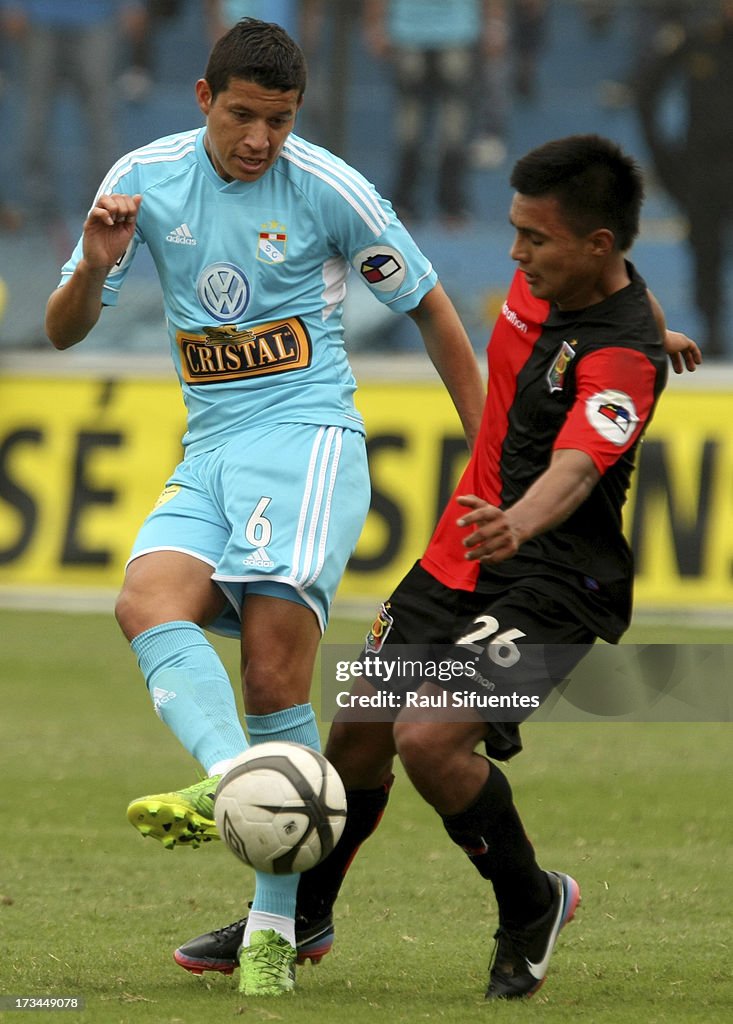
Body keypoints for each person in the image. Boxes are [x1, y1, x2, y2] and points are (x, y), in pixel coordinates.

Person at [173, 134, 702, 998]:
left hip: (553, 579)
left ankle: (532, 903)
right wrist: (650, 327)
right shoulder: (564, 297)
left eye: (535, 238)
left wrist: (518, 523)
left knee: (429, 737)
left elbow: (575, 464)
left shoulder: (620, 358)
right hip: (457, 559)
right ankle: (306, 912)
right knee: (356, 735)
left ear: (597, 244)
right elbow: (576, 344)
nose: (515, 252)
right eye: (514, 230)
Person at [44, 17, 484, 998]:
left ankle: (272, 936)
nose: (259, 140)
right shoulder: (145, 179)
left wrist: (489, 464)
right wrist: (97, 261)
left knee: (271, 670)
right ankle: (229, 777)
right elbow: (63, 332)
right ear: (203, 99)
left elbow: (435, 311)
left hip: (308, 443)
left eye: (278, 121)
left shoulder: (328, 188)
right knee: (144, 600)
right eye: (243, 115)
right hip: (210, 450)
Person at [636, 0, 733, 357]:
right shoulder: (696, 40)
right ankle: (713, 331)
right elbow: (646, 91)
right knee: (705, 252)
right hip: (704, 169)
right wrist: (663, 157)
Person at [363, 0, 507, 223]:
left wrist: (495, 24)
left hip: (456, 34)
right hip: (409, 34)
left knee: (453, 125)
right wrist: (375, 24)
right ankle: (406, 199)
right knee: (410, 124)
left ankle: (451, 201)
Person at [2, 0, 142, 219]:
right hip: (38, 17)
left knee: (101, 112)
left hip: (97, 16)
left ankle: (105, 195)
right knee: (35, 112)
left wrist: (131, 5)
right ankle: (35, 197)